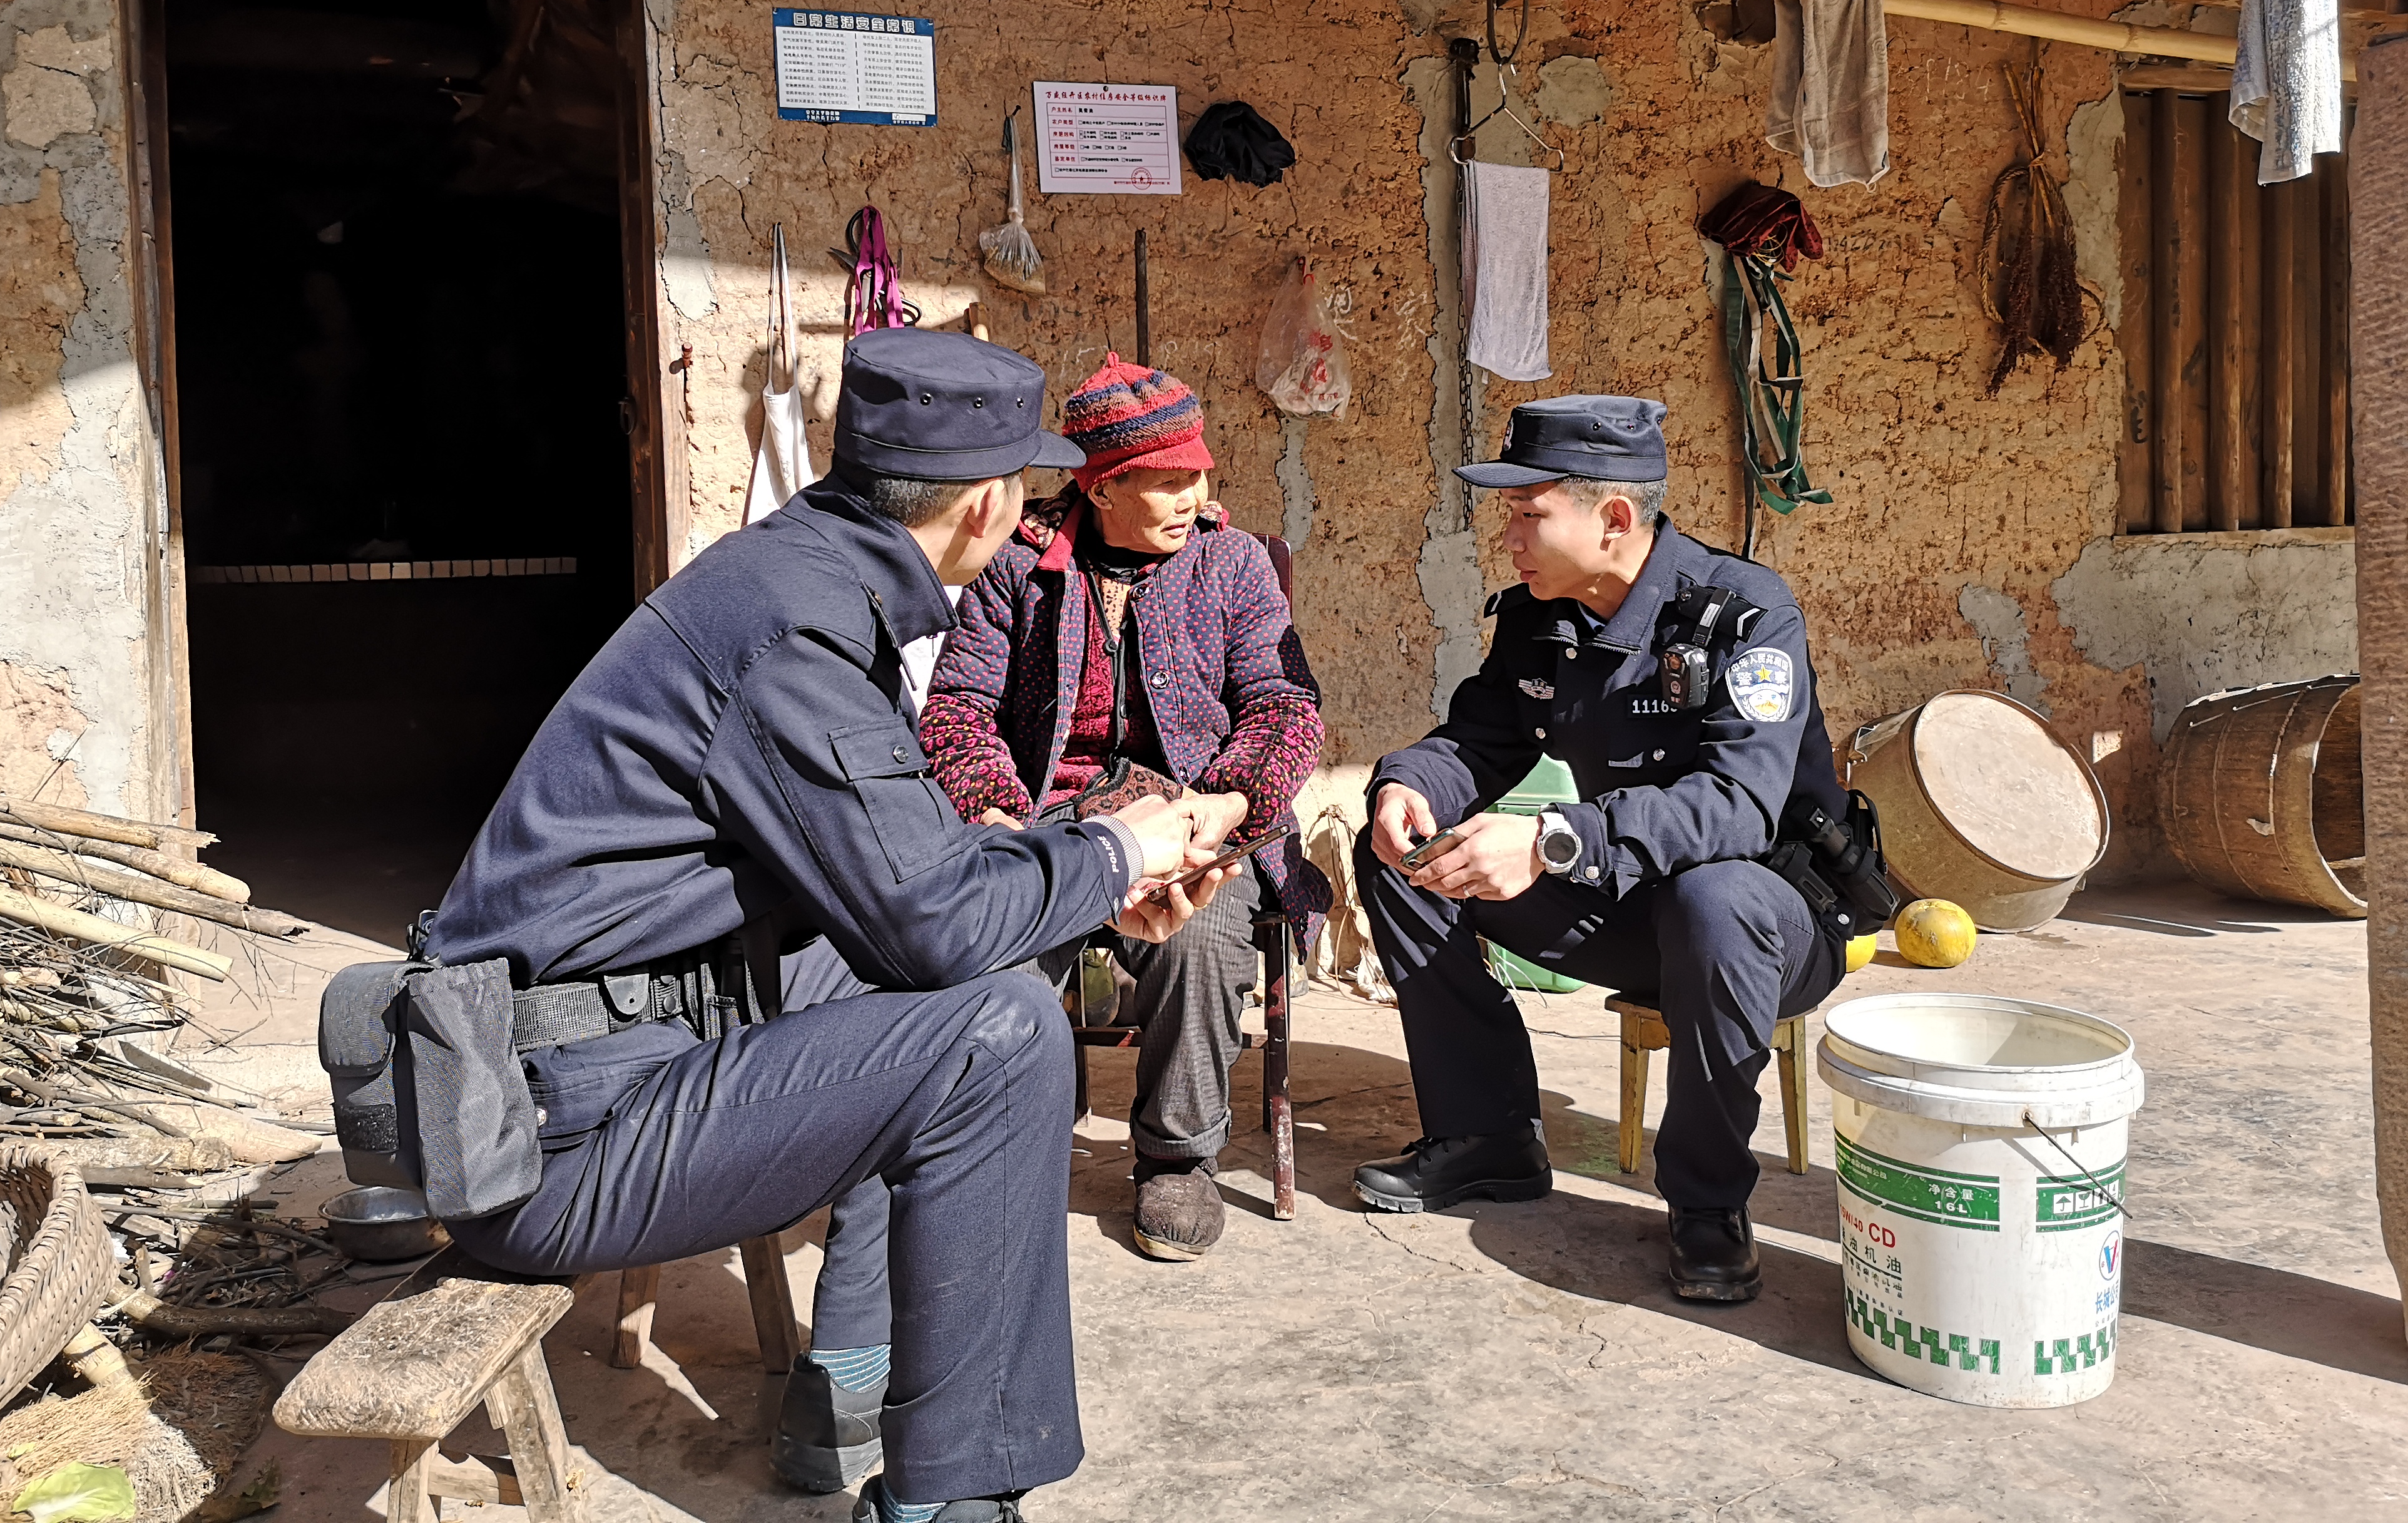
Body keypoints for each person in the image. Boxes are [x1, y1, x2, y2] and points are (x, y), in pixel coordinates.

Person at [421, 328, 1230, 1523]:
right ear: (988, 505)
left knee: (981, 977)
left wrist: (1088, 878)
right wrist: (1120, 846)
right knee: (993, 1034)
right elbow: (931, 926)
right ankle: (947, 1502)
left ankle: (850, 1380)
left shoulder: (797, 582)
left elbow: (906, 871)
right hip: (544, 1139)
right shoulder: (796, 637)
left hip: (601, 1060)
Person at [1349, 394, 1850, 1303]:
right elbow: (1481, 739)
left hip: (1775, 924)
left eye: (1529, 512)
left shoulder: (1745, 618)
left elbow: (1738, 806)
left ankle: (1707, 1204)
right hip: (1631, 903)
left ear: (1613, 518)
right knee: (1408, 857)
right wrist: (1410, 783)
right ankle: (1489, 1135)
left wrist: (1553, 839)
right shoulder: (1547, 615)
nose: (1508, 536)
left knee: (1718, 901)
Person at [919, 352, 1330, 1261]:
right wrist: (994, 815)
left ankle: (1177, 1157)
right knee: (1001, 947)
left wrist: (1230, 805)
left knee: (1204, 934)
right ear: (1100, 487)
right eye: (1168, 481)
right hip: (1052, 821)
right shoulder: (1016, 566)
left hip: (1196, 814)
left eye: (1199, 475)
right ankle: (1009, 1144)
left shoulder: (1235, 566)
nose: (1194, 496)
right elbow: (955, 709)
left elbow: (1285, 705)